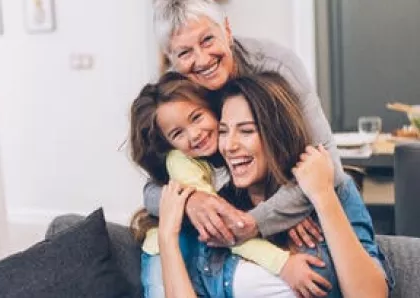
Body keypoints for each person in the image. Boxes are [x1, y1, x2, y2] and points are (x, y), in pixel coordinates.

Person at [156, 74, 389, 298]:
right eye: (224, 132)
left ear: (278, 135)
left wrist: (322, 195)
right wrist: (167, 238)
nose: (229, 146)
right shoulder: (221, 210)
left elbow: (371, 295)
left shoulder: (334, 192)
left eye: (246, 131)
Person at [144, 0, 346, 248]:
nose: (202, 59)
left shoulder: (277, 66)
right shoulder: (177, 94)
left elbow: (329, 167)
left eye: (207, 40)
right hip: (236, 207)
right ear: (171, 58)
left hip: (299, 202)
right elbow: (151, 191)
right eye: (184, 53)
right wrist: (191, 201)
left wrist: (263, 218)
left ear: (227, 30)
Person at [130, 72, 332, 298]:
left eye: (197, 117)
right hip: (165, 247)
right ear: (167, 143)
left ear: (212, 109)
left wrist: (288, 214)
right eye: (178, 133)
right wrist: (282, 264)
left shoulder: (231, 152)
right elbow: (224, 227)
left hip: (206, 246)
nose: (195, 134)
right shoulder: (181, 162)